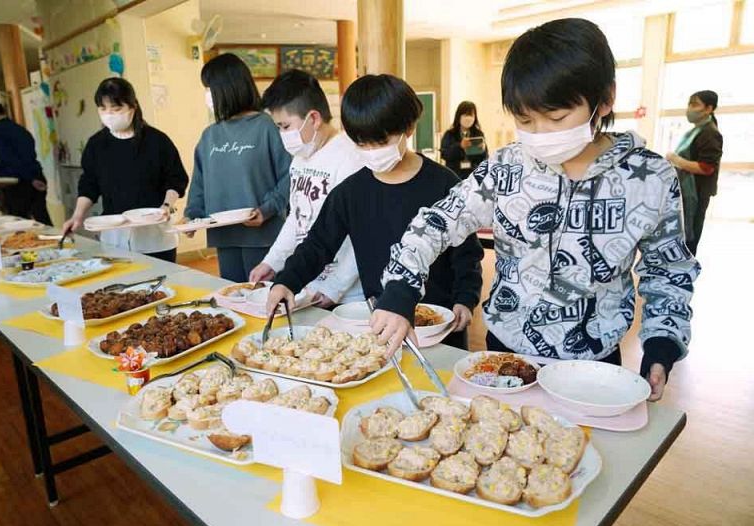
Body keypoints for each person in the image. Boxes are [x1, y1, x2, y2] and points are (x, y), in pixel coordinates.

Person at [370, 18, 700, 401]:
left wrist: (661, 345)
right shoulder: (507, 167)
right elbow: (439, 221)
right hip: (504, 349)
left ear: (605, 100)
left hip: (592, 362)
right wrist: (399, 289)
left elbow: (668, 270)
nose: (541, 134)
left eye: (557, 119)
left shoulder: (649, 178)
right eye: (526, 121)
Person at [266, 74, 483, 349]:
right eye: (362, 143)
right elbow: (318, 244)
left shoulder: (444, 184)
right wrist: (287, 281)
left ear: (410, 127)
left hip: (441, 322)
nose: (371, 152)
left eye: (380, 142)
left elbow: (467, 253)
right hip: (381, 319)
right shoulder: (351, 192)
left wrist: (465, 297)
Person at [249, 70, 364, 307]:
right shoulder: (301, 157)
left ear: (313, 118)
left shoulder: (350, 157)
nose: (282, 134)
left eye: (285, 126)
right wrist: (272, 261)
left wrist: (335, 287)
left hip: (350, 295)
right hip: (310, 284)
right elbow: (297, 217)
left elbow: (360, 233)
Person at [184, 53, 291, 282]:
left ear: (226, 88)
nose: (207, 95)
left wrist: (267, 209)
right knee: (235, 301)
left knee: (266, 304)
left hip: (263, 236)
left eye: (209, 88)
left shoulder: (267, 126)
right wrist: (191, 216)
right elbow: (200, 183)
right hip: (225, 237)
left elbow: (290, 176)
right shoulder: (210, 135)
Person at [62, 78, 189, 263]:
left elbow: (175, 179)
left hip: (155, 236)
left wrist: (166, 207)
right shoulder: (96, 145)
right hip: (114, 237)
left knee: (160, 287)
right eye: (103, 109)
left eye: (116, 109)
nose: (109, 114)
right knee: (122, 288)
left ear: (133, 107)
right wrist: (77, 217)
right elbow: (89, 185)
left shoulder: (157, 141)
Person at [666, 90, 723, 256]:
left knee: (691, 231)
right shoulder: (696, 131)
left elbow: (707, 167)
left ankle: (686, 268)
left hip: (697, 191)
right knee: (682, 230)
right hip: (687, 189)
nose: (689, 109)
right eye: (689, 104)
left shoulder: (710, 133)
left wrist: (677, 160)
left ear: (708, 108)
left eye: (695, 104)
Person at [0, 100, 52, 224]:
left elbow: (9, 159)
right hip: (37, 175)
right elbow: (29, 155)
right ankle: (57, 241)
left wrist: (29, 179)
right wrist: (34, 177)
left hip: (17, 181)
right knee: (42, 218)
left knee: (19, 222)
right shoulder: (20, 129)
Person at [440, 101, 488, 178]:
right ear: (459, 116)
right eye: (465, 114)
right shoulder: (450, 134)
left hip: (473, 176)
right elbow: (444, 154)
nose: (468, 118)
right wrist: (460, 146)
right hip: (454, 175)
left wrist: (483, 150)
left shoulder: (478, 134)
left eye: (471, 115)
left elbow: (484, 159)